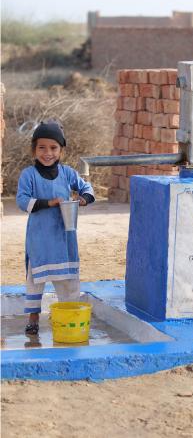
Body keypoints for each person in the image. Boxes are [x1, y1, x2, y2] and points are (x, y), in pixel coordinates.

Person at [16, 120, 95, 335]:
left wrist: (83, 199)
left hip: (64, 237)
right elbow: (22, 201)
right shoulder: (28, 175)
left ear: (61, 150)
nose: (47, 153)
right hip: (39, 238)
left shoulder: (68, 173)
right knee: (35, 280)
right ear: (34, 149)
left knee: (68, 279)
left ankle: (69, 315)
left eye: (53, 148)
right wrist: (49, 202)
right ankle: (33, 318)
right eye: (42, 147)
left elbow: (87, 188)